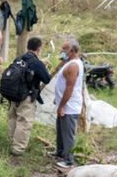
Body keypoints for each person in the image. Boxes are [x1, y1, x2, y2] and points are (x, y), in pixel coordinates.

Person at [6, 37, 53, 156]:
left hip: (13, 95)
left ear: (28, 47)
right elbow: (46, 79)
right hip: (26, 96)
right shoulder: (36, 62)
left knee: (13, 119)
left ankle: (11, 142)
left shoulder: (18, 59)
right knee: (24, 122)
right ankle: (18, 149)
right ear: (39, 48)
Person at [52, 38, 85, 170]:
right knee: (60, 129)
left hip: (69, 106)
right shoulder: (70, 62)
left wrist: (62, 106)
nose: (61, 51)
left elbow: (69, 88)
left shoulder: (73, 66)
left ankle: (69, 160)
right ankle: (60, 152)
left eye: (64, 49)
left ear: (72, 51)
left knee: (67, 133)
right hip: (65, 103)